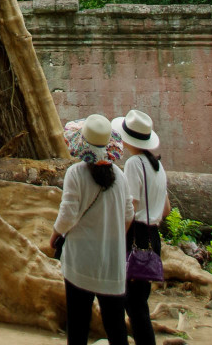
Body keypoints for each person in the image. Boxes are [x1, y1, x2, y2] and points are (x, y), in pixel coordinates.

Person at [50, 114, 134, 345]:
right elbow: (129, 215)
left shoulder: (76, 174)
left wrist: (55, 234)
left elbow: (67, 214)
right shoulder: (121, 177)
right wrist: (114, 238)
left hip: (81, 261)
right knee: (116, 327)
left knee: (77, 326)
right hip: (112, 265)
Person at [112, 110, 171, 345]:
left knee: (133, 304)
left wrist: (119, 236)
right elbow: (166, 209)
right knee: (139, 301)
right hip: (152, 236)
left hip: (136, 236)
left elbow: (132, 206)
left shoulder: (134, 164)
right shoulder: (157, 166)